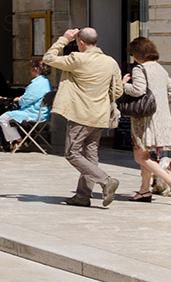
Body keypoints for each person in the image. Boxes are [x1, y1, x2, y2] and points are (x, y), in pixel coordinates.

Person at [42, 28, 124, 207]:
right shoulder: (110, 62)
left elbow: (48, 58)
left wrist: (64, 38)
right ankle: (82, 195)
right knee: (90, 154)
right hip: (101, 115)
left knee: (72, 153)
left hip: (82, 114)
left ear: (80, 42)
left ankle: (105, 181)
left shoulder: (77, 59)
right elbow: (118, 91)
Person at [123, 37, 171, 203]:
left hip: (143, 120)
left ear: (137, 53)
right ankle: (144, 191)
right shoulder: (160, 68)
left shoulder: (139, 69)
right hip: (158, 118)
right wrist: (161, 106)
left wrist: (122, 85)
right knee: (146, 155)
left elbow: (138, 90)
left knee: (140, 157)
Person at [0, 59, 53, 147]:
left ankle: (19, 141)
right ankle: (14, 142)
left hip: (34, 113)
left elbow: (25, 102)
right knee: (16, 119)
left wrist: (18, 99)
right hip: (44, 112)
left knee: (3, 118)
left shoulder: (36, 84)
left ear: (35, 69)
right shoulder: (46, 82)